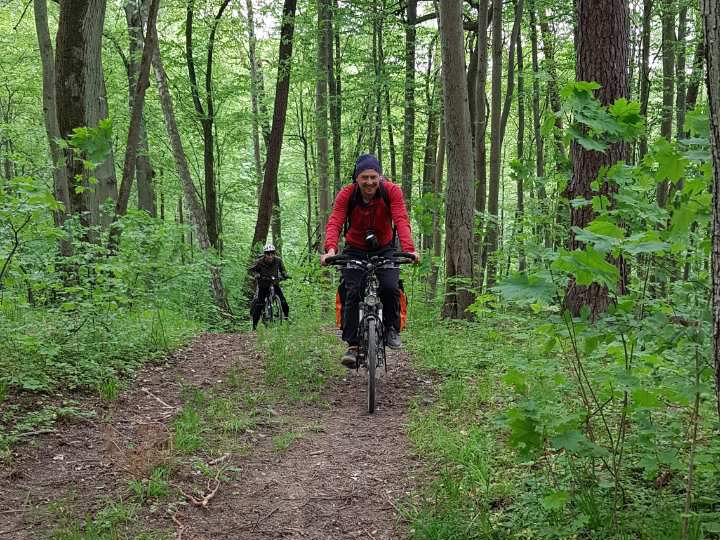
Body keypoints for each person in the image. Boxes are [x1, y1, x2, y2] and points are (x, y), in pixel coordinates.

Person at [320, 154, 419, 368]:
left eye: (373, 177)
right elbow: (335, 221)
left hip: (384, 248)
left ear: (380, 177)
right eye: (364, 177)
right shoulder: (347, 194)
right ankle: (353, 345)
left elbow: (401, 219)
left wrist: (409, 250)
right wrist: (330, 249)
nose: (369, 182)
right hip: (355, 249)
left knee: (391, 287)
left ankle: (392, 329)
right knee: (352, 290)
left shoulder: (391, 191)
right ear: (357, 178)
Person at [249, 243, 289, 330]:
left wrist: (285, 275)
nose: (270, 256)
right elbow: (252, 269)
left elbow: (283, 270)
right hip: (263, 284)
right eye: (268, 253)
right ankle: (254, 327)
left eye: (272, 253)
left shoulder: (278, 260)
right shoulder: (260, 262)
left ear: (274, 253)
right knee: (259, 304)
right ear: (265, 254)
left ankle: (286, 320)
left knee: (283, 301)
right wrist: (257, 274)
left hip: (274, 283)